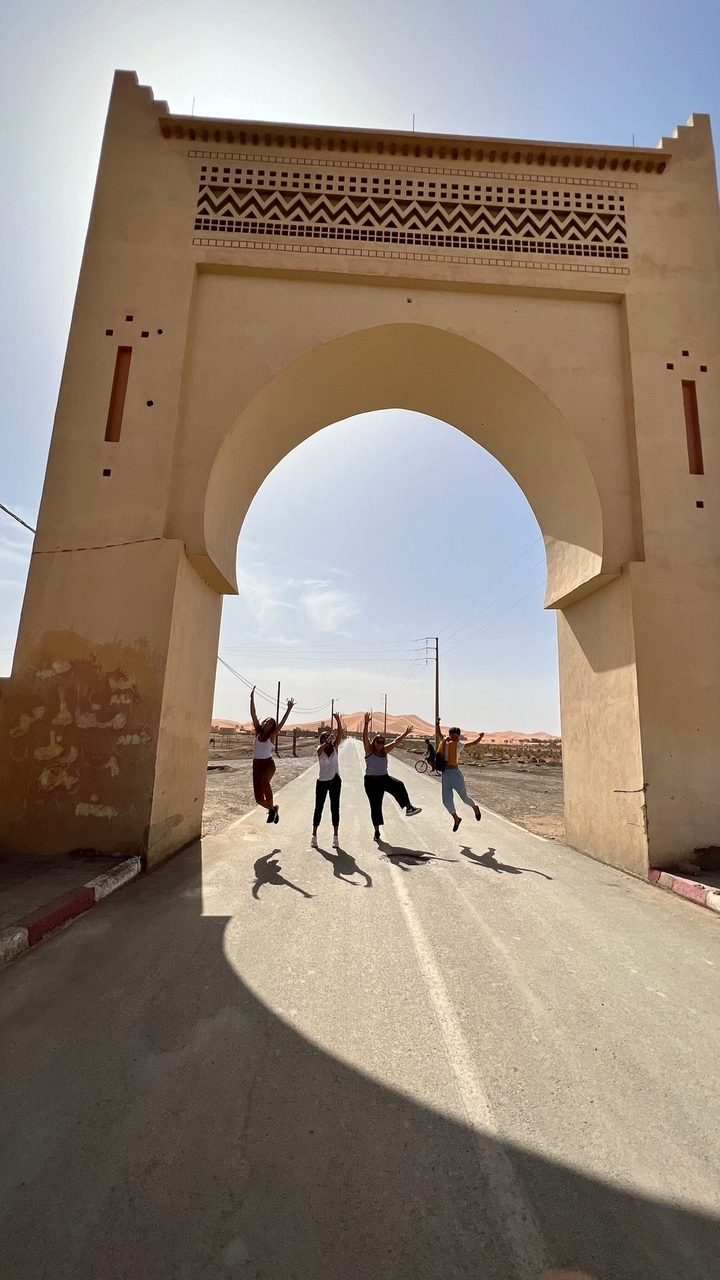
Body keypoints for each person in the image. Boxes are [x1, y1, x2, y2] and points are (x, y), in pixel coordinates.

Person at [362, 712, 422, 843]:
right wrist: (366, 723)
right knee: (375, 806)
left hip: (384, 778)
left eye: (382, 742)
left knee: (399, 785)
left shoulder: (385, 751)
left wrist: (406, 733)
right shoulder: (369, 751)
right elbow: (365, 738)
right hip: (371, 782)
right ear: (374, 742)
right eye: (378, 742)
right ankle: (377, 832)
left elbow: (396, 742)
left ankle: (409, 807)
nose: (380, 744)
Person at [250, 687, 295, 823]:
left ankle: (272, 810)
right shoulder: (258, 733)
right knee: (258, 799)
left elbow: (281, 723)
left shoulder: (272, 736)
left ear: (272, 726)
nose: (267, 724)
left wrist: (288, 709)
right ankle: (272, 809)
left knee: (265, 783)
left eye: (270, 723)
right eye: (266, 722)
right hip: (256, 765)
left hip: (268, 764)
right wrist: (252, 699)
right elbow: (253, 715)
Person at [436, 719, 484, 832]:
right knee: (446, 800)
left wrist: (480, 737)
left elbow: (473, 743)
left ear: (458, 736)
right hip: (445, 774)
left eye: (456, 736)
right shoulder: (444, 743)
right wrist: (438, 723)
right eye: (452, 736)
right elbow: (438, 734)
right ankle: (456, 819)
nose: (453, 738)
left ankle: (475, 808)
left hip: (455, 773)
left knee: (464, 798)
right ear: (449, 735)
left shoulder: (459, 745)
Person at [311, 712, 343, 850]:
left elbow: (340, 733)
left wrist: (338, 721)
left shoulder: (335, 748)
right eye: (324, 738)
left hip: (335, 781)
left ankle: (335, 836)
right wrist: (326, 742)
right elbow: (319, 749)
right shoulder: (320, 751)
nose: (327, 739)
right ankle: (314, 835)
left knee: (335, 808)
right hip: (322, 782)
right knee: (319, 808)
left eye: (328, 736)